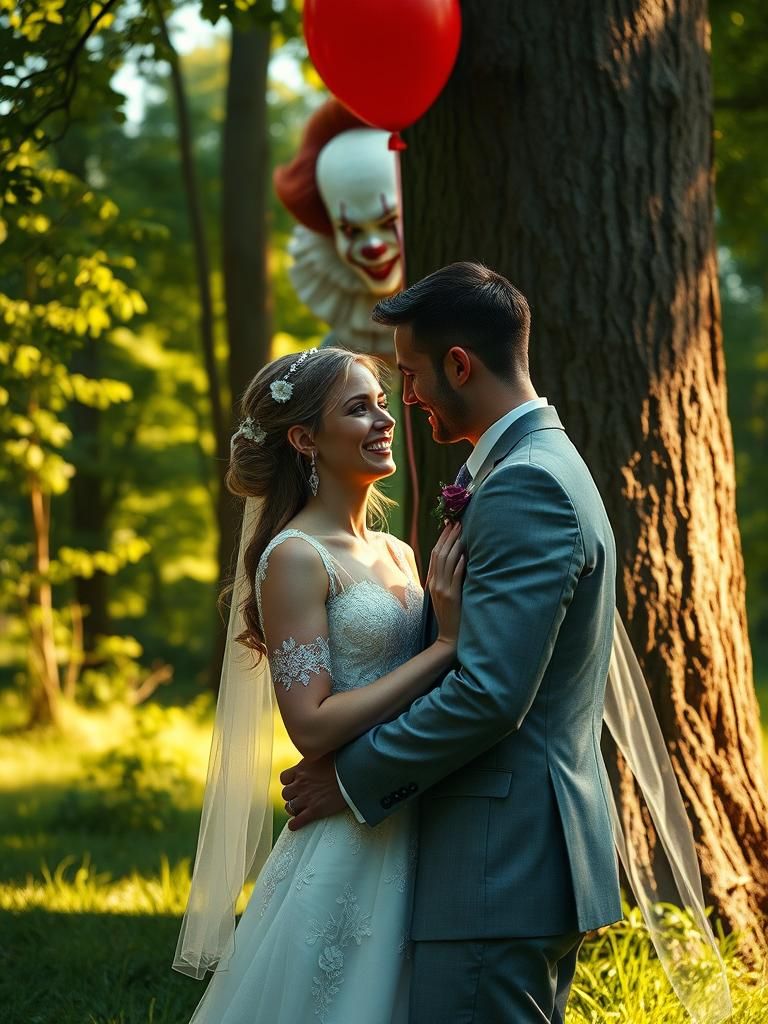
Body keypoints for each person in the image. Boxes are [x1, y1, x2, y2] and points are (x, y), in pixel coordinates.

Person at [280, 262, 732, 1024]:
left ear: (460, 364)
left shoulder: (527, 484)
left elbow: (491, 693)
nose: (407, 398)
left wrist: (349, 781)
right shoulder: (528, 467)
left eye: (412, 375)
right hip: (506, 860)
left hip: (498, 859)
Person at [174, 345, 464, 1023]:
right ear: (304, 438)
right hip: (347, 834)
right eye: (358, 408)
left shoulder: (397, 551)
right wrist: (447, 647)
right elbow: (309, 723)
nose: (384, 420)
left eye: (384, 404)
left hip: (413, 801)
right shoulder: (296, 558)